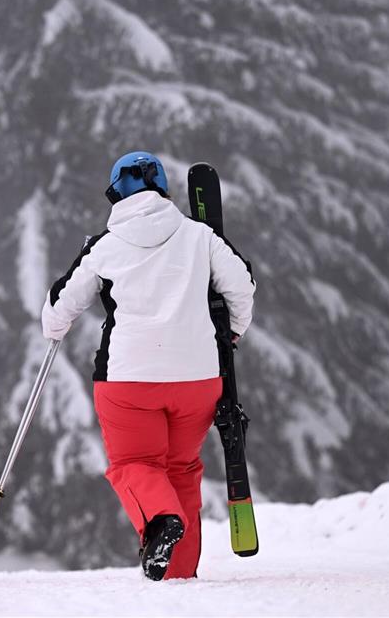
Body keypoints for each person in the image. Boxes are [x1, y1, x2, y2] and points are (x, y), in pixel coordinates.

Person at [42, 151, 255, 581]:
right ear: (163, 188)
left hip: (129, 381)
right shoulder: (201, 236)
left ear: (115, 194)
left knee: (134, 465)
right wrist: (231, 333)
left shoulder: (104, 246)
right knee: (181, 469)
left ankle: (159, 520)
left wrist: (70, 293)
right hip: (198, 378)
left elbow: (56, 314)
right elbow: (242, 287)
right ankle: (177, 577)